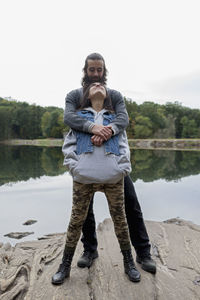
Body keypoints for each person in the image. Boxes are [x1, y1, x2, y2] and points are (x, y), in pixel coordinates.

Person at [63, 53, 156, 274]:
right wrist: (92, 127)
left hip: (111, 159)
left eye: (99, 70)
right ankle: (90, 250)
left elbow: (122, 120)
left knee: (131, 205)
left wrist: (107, 132)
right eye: (91, 69)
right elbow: (69, 118)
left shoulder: (114, 96)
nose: (95, 74)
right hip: (85, 160)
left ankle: (143, 253)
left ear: (104, 72)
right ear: (85, 71)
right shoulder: (75, 96)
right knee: (84, 210)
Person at [52, 82, 141, 285]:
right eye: (93, 85)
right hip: (84, 179)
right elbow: (68, 146)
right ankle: (64, 265)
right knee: (76, 221)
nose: (98, 84)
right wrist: (76, 169)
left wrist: (121, 169)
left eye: (101, 83)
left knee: (120, 221)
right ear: (87, 95)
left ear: (107, 94)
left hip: (113, 178)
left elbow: (124, 146)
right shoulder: (80, 118)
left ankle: (129, 263)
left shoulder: (114, 119)